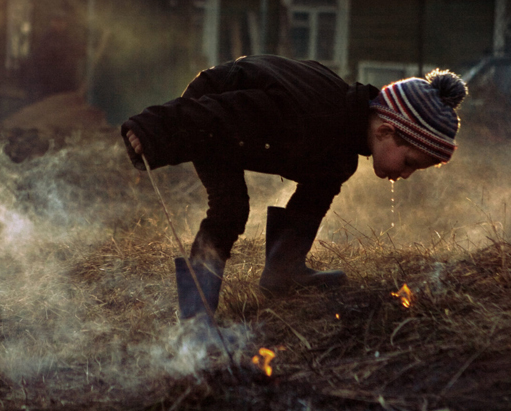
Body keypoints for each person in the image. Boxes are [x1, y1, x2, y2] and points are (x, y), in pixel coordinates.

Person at [120, 54, 466, 321]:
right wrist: (154, 127)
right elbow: (218, 113)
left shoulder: (343, 139)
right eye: (409, 163)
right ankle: (196, 316)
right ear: (386, 131)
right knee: (230, 208)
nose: (405, 175)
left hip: (252, 120)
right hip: (215, 108)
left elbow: (316, 191)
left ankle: (283, 269)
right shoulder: (304, 117)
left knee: (327, 176)